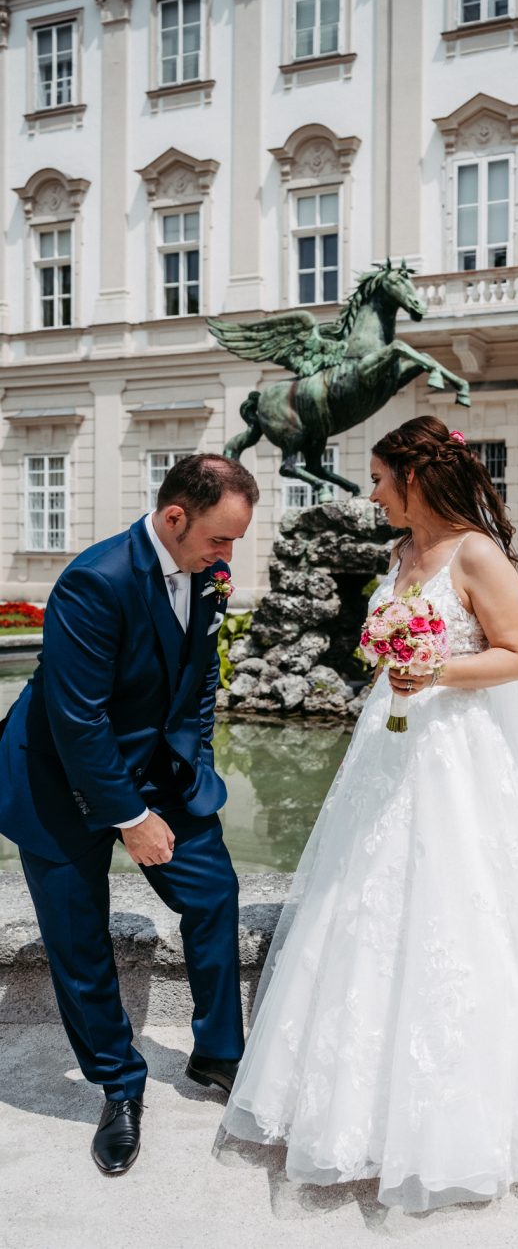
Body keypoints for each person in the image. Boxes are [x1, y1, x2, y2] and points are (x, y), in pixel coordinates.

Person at [218, 417, 518, 1212]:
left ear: (414, 479)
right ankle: (352, 1106)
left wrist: (433, 665)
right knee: (367, 896)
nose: (373, 491)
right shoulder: (397, 553)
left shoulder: (476, 553)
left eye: (381, 478)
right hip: (390, 749)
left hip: (456, 750)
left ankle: (460, 1114)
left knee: (461, 901)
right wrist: (394, 659)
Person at [0, 455, 258, 1176]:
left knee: (214, 893)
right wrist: (129, 815)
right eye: (219, 540)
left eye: (234, 542)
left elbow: (201, 679)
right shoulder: (95, 579)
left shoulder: (207, 576)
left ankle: (217, 1055)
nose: (226, 557)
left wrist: (193, 766)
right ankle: (119, 1085)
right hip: (57, 779)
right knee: (79, 945)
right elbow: (77, 721)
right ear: (175, 518)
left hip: (158, 769)